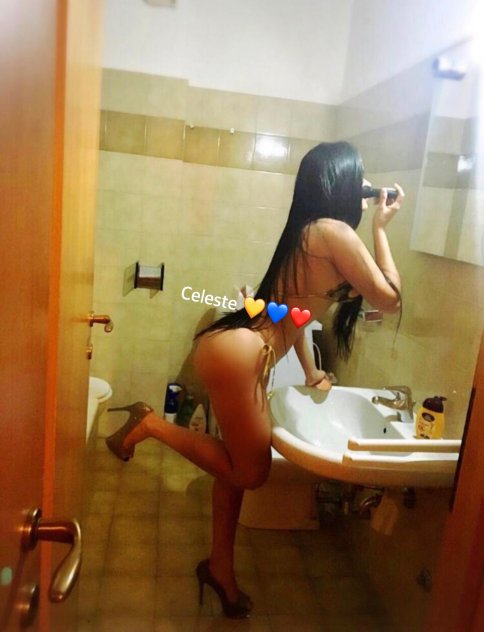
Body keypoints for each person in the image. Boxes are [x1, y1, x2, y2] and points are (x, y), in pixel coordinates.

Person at [105, 141, 403, 618]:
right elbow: (389, 299)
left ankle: (220, 568)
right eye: (359, 175)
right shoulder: (332, 231)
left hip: (241, 350)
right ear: (342, 181)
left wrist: (311, 371)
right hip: (242, 353)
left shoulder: (309, 233)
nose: (365, 185)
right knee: (252, 472)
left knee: (233, 469)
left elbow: (293, 313)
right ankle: (150, 424)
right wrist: (382, 229)